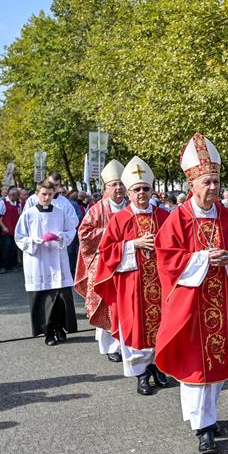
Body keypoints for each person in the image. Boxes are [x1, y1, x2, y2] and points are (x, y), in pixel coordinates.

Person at [154, 133, 228, 454]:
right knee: (197, 365)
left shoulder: (225, 216)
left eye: (216, 181)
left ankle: (210, 414)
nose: (213, 188)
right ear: (192, 186)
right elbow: (166, 256)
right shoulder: (179, 217)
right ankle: (202, 426)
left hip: (222, 302)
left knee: (218, 362)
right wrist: (200, 258)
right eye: (207, 182)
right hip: (192, 306)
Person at [95, 157, 171, 394]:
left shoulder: (164, 217)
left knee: (163, 326)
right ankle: (140, 373)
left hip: (161, 283)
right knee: (136, 327)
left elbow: (176, 247)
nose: (141, 193)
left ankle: (158, 365)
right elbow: (106, 253)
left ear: (152, 190)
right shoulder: (120, 219)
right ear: (128, 193)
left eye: (145, 188)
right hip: (132, 284)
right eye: (136, 189)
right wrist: (132, 244)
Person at [75, 160, 127, 363]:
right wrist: (109, 232)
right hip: (104, 265)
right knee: (107, 304)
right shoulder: (97, 210)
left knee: (125, 305)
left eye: (121, 184)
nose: (118, 188)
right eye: (114, 185)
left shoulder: (131, 208)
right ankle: (110, 345)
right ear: (106, 188)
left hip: (127, 263)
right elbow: (84, 234)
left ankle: (126, 342)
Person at [15, 180, 78, 345]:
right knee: (44, 298)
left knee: (61, 297)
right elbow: (19, 237)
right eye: (43, 194)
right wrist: (34, 241)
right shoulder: (28, 214)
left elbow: (71, 231)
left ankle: (61, 327)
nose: (47, 197)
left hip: (57, 257)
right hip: (39, 260)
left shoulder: (59, 212)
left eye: (50, 194)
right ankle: (48, 331)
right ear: (37, 194)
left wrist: (61, 236)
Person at [0, 188, 21, 273]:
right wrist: (3, 227)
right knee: (6, 247)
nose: (18, 197)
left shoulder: (18, 204)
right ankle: (3, 266)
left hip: (15, 230)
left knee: (13, 248)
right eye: (17, 195)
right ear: (12, 195)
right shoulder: (3, 202)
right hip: (6, 230)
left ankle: (11, 265)